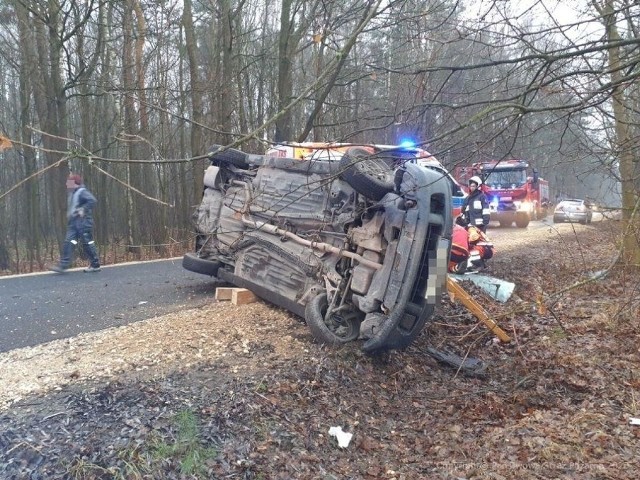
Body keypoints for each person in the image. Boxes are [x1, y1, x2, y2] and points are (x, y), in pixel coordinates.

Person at [50, 174, 101, 273]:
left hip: (84, 223)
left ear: (74, 183)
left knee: (87, 243)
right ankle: (63, 265)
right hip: (74, 223)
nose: (67, 184)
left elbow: (92, 200)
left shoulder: (82, 192)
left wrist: (83, 209)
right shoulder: (73, 193)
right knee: (69, 242)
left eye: (69, 182)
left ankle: (95, 265)